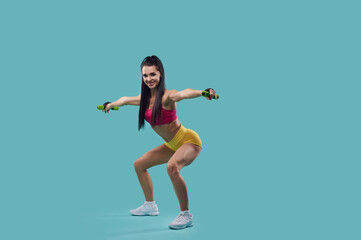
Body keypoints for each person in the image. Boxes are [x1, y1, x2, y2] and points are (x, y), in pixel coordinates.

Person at [103, 55, 218, 230]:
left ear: (160, 74)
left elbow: (184, 93)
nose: (149, 79)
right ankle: (150, 206)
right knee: (139, 164)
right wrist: (111, 104)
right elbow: (125, 100)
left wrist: (204, 92)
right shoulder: (143, 100)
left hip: (188, 141)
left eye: (152, 75)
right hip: (172, 145)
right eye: (145, 75)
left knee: (172, 168)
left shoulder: (168, 97)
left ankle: (186, 215)